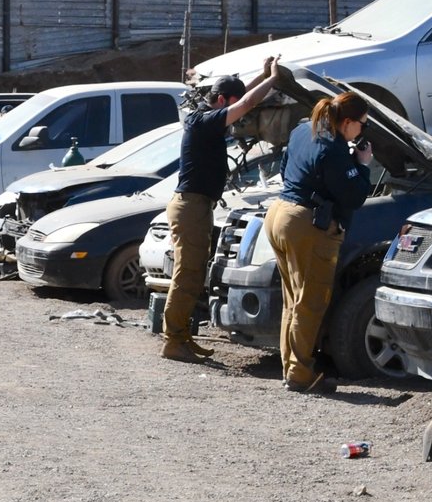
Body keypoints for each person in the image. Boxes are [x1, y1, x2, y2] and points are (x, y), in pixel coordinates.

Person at [160, 55, 282, 364]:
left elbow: (240, 100)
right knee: (186, 275)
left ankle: (183, 337)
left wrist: (263, 74)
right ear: (222, 99)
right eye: (231, 101)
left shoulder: (206, 116)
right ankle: (174, 340)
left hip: (195, 205)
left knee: (193, 272)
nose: (236, 113)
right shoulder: (204, 120)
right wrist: (272, 80)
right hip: (191, 206)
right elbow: (244, 106)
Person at [264, 90, 374, 393]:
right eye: (362, 125)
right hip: (305, 223)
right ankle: (300, 375)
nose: (362, 131)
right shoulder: (333, 150)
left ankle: (293, 368)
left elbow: (287, 170)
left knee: (293, 299)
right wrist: (362, 164)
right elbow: (354, 196)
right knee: (310, 301)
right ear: (348, 122)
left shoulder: (303, 129)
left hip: (278, 214)